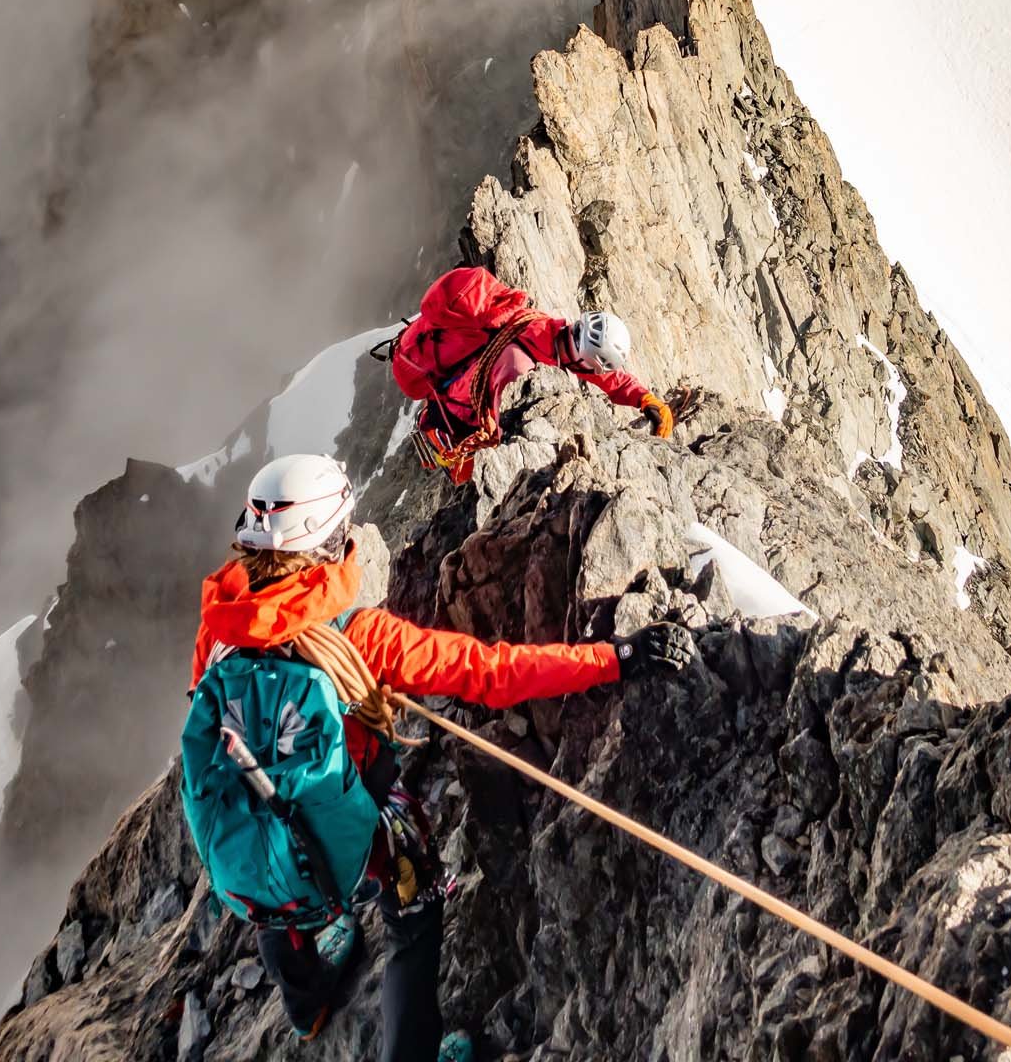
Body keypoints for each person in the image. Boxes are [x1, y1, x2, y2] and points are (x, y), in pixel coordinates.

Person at [183, 452, 695, 1061]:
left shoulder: (221, 625)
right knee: (414, 919)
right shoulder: (359, 636)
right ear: (327, 543)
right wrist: (613, 658)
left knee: (279, 897)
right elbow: (488, 672)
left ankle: (308, 1006)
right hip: (361, 815)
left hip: (252, 828)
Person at [382, 265, 675, 482]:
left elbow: (601, 374)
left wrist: (644, 397)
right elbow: (496, 425)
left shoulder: (546, 330)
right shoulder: (519, 366)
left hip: (457, 405)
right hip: (451, 427)